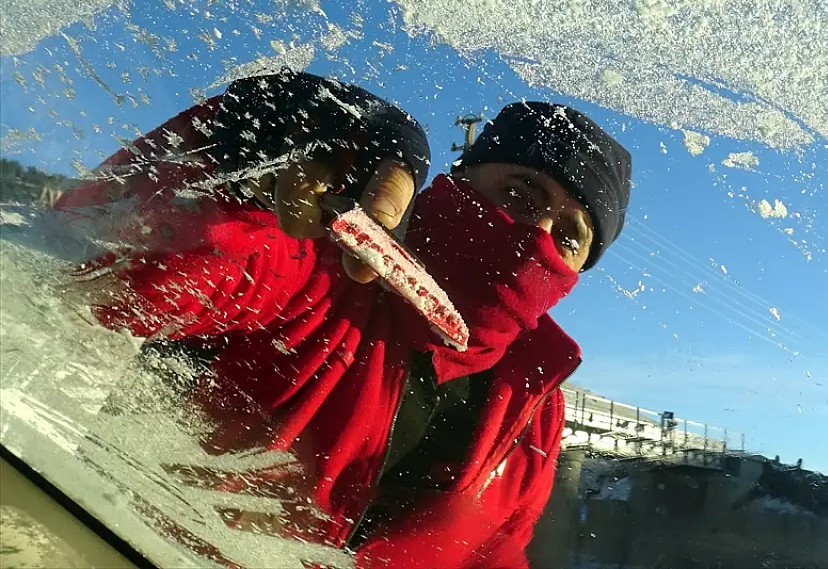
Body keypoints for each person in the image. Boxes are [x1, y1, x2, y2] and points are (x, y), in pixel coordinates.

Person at [54, 70, 632, 568]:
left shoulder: (536, 403)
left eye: (570, 236)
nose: (537, 238)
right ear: (454, 187)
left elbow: (496, 554)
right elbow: (100, 272)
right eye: (522, 194)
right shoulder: (314, 269)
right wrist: (235, 149)